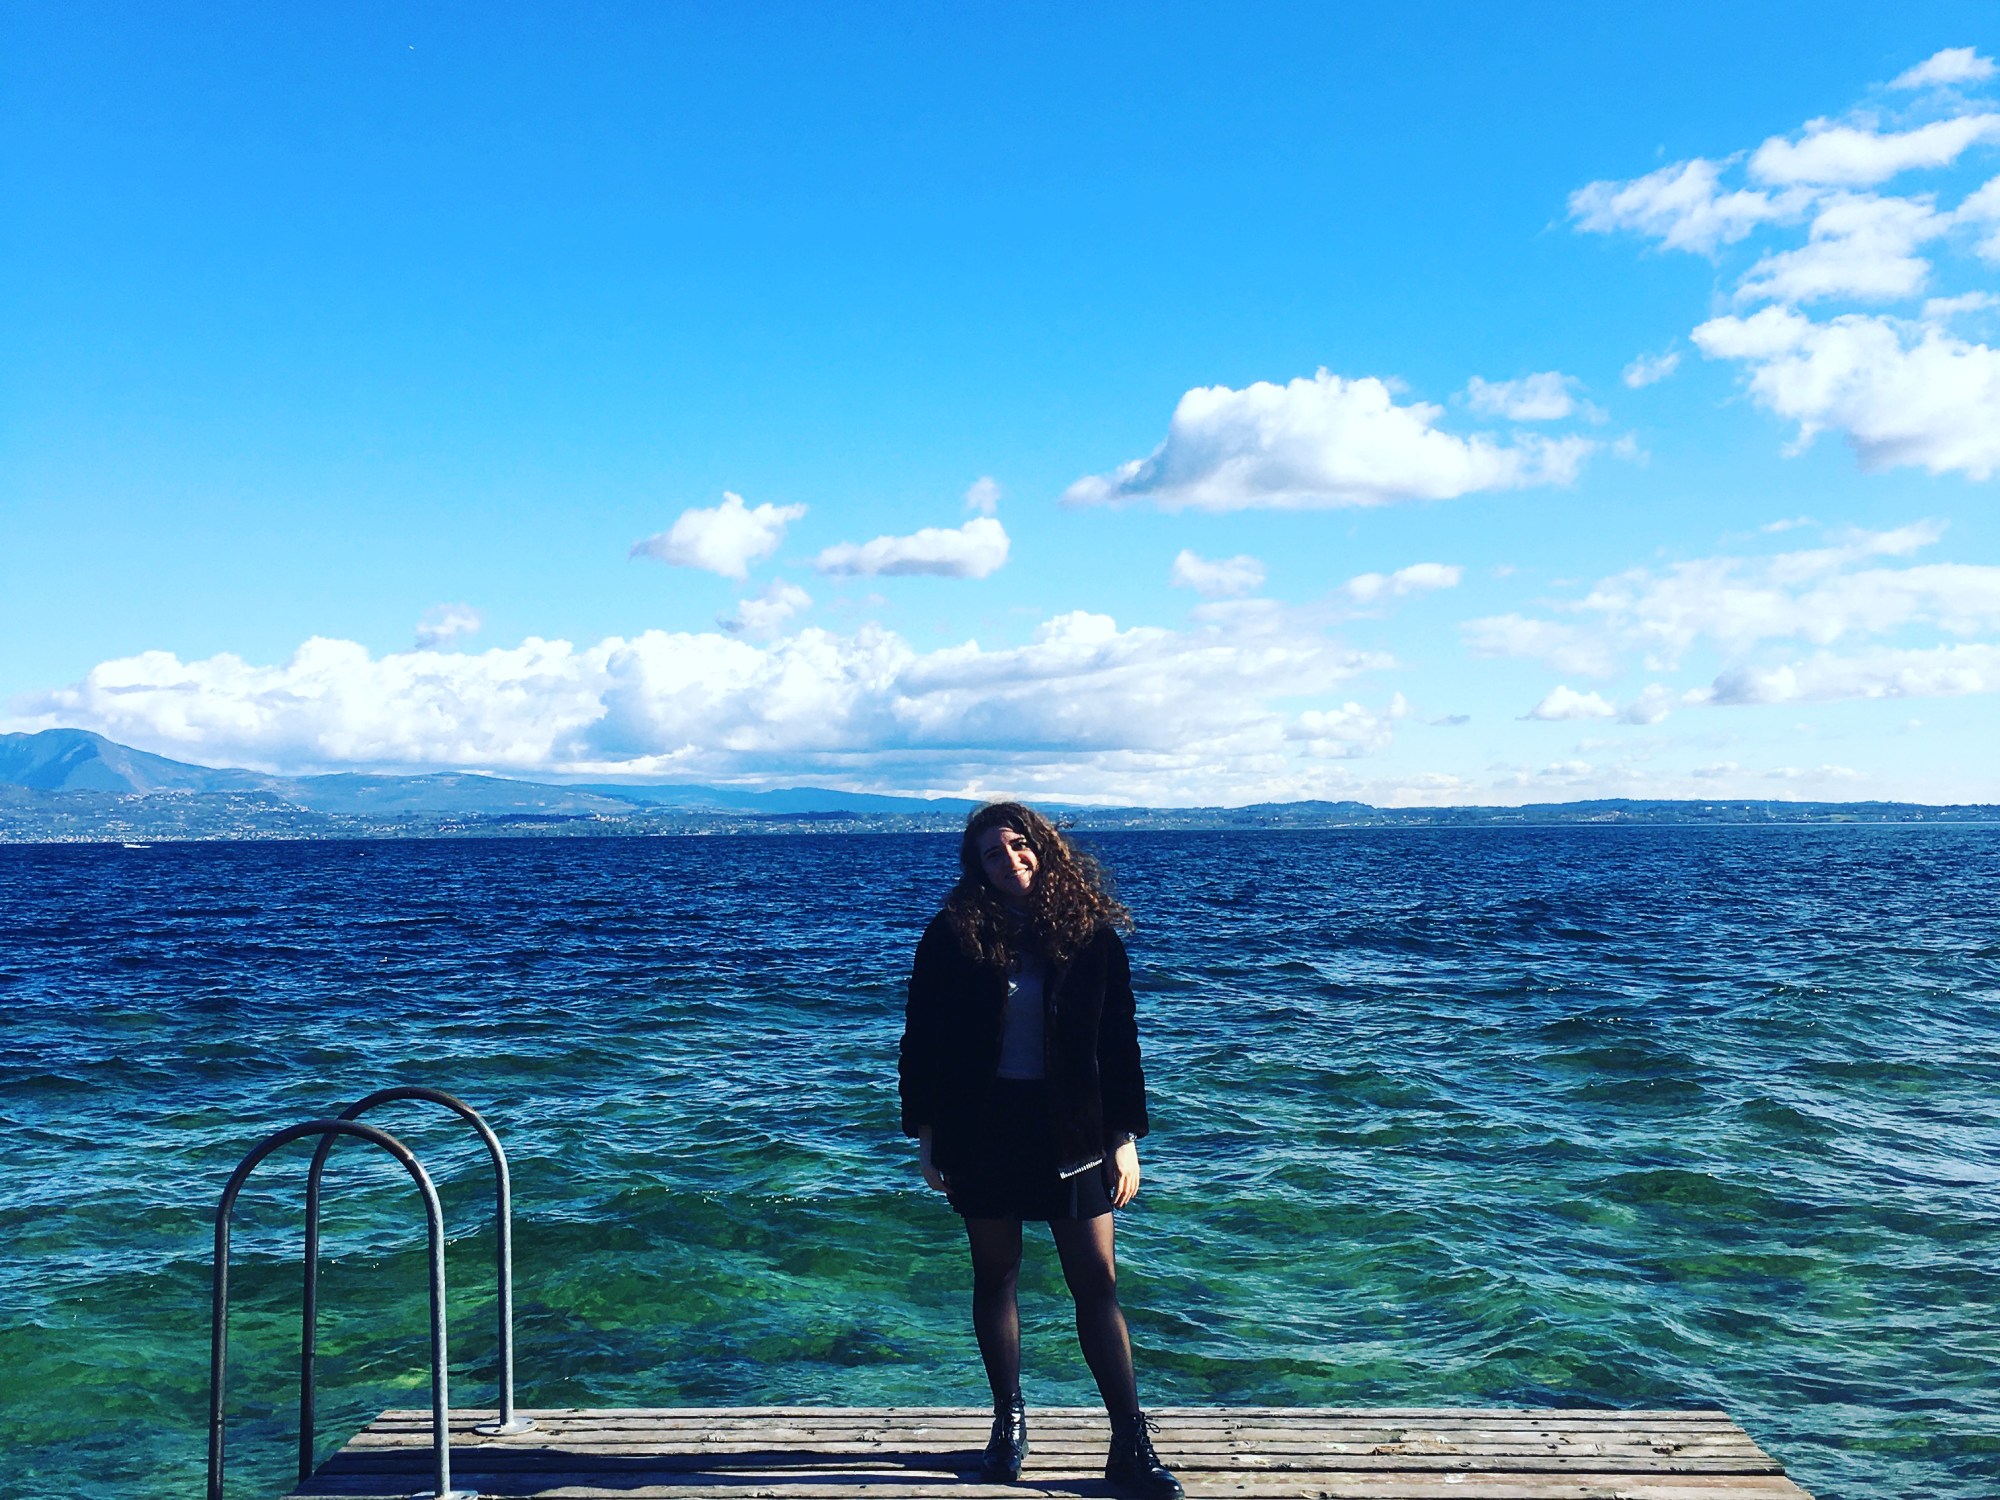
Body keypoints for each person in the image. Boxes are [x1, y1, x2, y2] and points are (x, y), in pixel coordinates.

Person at [899, 801, 1182, 1499]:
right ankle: (1008, 1422)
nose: (1011, 860)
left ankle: (1130, 1441)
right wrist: (927, 1136)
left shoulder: (1090, 934)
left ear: (1044, 848)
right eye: (993, 853)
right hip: (982, 1128)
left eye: (1019, 845)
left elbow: (1119, 1044)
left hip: (1074, 1130)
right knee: (995, 1278)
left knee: (1097, 1282)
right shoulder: (952, 935)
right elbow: (922, 1041)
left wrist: (1124, 1139)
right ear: (978, 868)